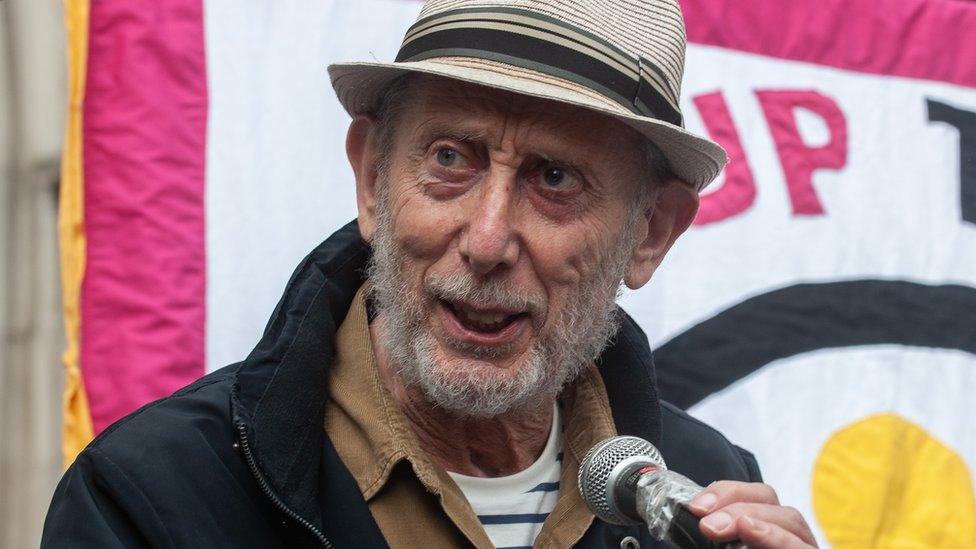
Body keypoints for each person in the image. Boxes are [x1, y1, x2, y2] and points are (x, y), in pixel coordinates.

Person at [43, 0, 818, 547]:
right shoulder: (155, 495)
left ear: (649, 232)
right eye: (451, 159)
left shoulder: (710, 494)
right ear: (373, 175)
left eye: (554, 178)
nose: (486, 240)